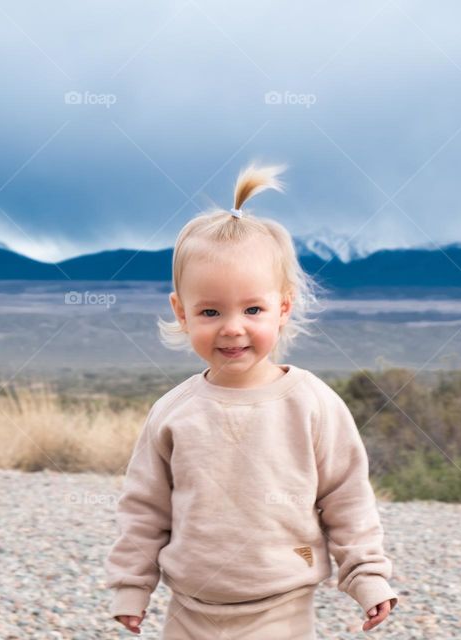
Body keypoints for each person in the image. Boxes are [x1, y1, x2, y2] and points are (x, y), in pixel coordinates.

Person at [105, 162, 398, 639]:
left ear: (283, 306)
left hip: (280, 604)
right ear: (181, 312)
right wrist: (131, 587)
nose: (232, 327)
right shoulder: (173, 412)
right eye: (211, 310)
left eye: (253, 309)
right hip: (190, 606)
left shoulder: (311, 404)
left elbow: (347, 498)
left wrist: (367, 576)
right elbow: (145, 508)